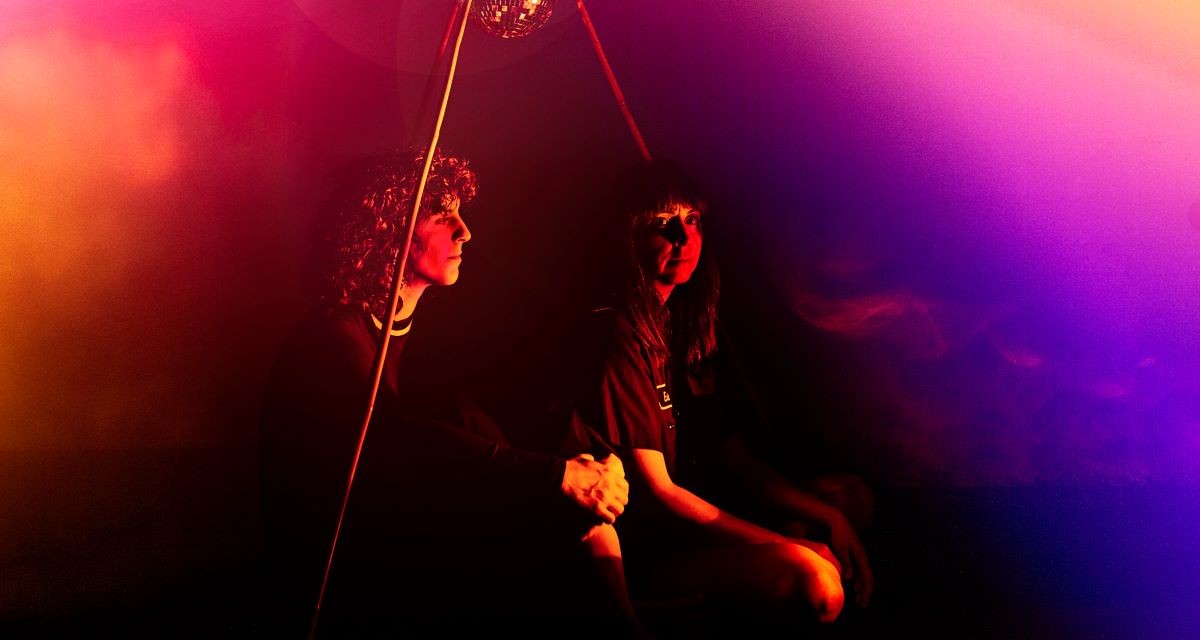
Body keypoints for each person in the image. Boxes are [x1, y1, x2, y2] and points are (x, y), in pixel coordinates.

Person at [257, 148, 644, 637]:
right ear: (388, 228)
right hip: (346, 583)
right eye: (443, 216)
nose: (465, 232)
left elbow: (511, 398)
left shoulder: (425, 325)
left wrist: (595, 458)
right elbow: (397, 443)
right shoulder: (335, 337)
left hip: (407, 542)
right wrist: (557, 476)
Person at [575, 160, 873, 631]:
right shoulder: (622, 333)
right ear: (630, 237)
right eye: (663, 223)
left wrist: (829, 516)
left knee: (849, 500)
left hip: (700, 521)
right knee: (815, 580)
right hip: (650, 548)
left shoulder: (684, 322)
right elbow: (661, 493)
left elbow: (739, 461)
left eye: (692, 219)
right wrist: (789, 546)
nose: (683, 237)